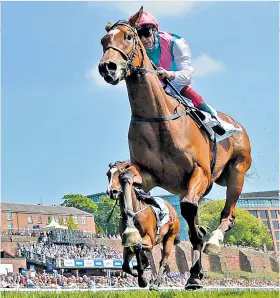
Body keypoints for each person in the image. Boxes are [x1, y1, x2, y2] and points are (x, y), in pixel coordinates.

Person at [129, 11, 242, 142]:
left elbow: (188, 75)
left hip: (176, 83)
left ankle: (216, 122)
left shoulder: (175, 43)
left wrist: (169, 74)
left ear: (154, 30)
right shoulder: (134, 50)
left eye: (146, 33)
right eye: (139, 35)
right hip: (154, 90)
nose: (143, 39)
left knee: (189, 92)